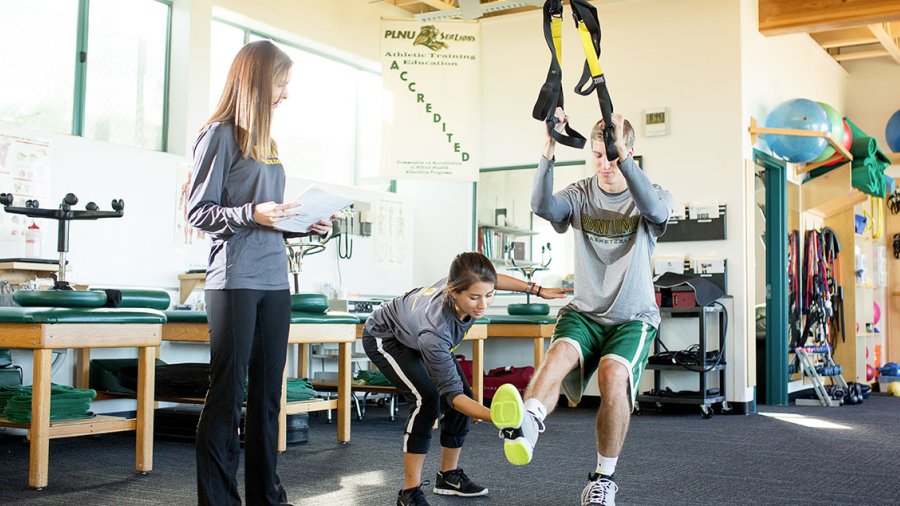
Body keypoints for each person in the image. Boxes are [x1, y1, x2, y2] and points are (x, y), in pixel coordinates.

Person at [490, 108, 674, 506]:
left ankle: (603, 479)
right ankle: (530, 420)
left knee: (612, 377)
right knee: (557, 353)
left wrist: (623, 156)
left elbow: (656, 214)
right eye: (596, 155)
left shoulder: (654, 193)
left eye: (611, 155)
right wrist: (548, 147)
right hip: (586, 311)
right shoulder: (579, 194)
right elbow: (543, 206)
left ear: (628, 150)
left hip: (633, 318)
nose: (603, 163)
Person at [188, 40, 333, 506]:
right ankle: (219, 500)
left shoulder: (267, 143)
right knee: (228, 396)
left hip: (274, 279)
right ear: (255, 81)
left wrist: (300, 223)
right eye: (281, 84)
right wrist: (256, 212)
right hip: (233, 280)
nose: (285, 95)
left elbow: (268, 219)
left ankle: (265, 497)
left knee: (270, 396)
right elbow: (199, 212)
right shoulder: (219, 134)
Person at [363, 251, 566, 506]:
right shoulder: (435, 328)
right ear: (453, 291)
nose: (483, 304)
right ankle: (409, 492)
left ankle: (448, 476)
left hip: (415, 332)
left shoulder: (470, 284)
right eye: (474, 297)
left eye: (489, 296)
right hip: (386, 336)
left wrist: (536, 289)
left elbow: (492, 280)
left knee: (464, 398)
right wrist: (501, 418)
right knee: (428, 400)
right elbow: (453, 396)